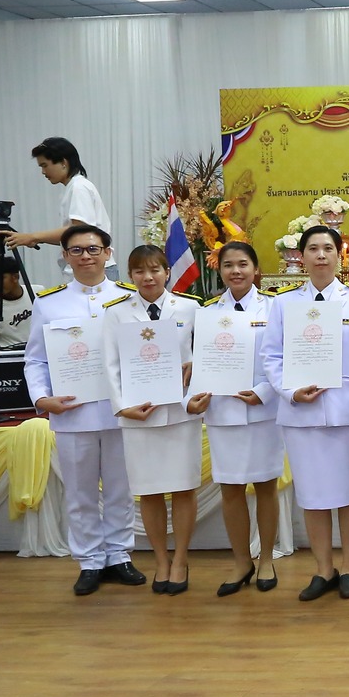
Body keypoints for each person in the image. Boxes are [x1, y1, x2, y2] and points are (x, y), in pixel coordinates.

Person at [262, 225, 349, 602]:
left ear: (338, 255)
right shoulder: (283, 303)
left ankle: (348, 568)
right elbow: (272, 356)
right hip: (302, 414)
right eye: (312, 248)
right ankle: (323, 569)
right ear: (301, 256)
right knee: (313, 495)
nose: (320, 255)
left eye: (327, 248)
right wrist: (289, 391)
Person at [24, 223, 147, 597]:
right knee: (79, 493)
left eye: (93, 249)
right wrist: (40, 398)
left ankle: (120, 555)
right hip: (72, 412)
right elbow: (35, 360)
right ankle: (90, 560)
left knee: (121, 489)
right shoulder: (48, 303)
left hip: (121, 411)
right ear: (65, 256)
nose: (85, 256)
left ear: (108, 253)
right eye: (76, 250)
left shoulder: (130, 297)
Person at [187, 242, 285, 594]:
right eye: (228, 265)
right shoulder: (208, 313)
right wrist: (192, 399)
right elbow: (198, 363)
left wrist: (265, 391)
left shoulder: (275, 307)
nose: (236, 271)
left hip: (263, 411)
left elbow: (285, 357)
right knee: (230, 489)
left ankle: (266, 559)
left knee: (266, 487)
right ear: (220, 270)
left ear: (256, 269)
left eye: (243, 264)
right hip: (223, 411)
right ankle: (242, 561)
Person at [103, 245, 201, 594]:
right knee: (150, 491)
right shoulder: (116, 313)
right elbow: (110, 365)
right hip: (138, 414)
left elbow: (205, 354)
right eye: (140, 271)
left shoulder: (190, 308)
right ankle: (161, 560)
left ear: (167, 272)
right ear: (130, 275)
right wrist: (121, 407)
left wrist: (197, 370)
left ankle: (181, 560)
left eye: (155, 270)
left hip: (180, 411)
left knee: (183, 487)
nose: (148, 277)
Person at [5, 136, 111, 253]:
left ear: (63, 162)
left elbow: (79, 232)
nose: (43, 172)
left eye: (45, 165)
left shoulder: (79, 187)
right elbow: (70, 237)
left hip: (92, 262)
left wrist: (33, 237)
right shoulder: (73, 187)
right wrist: (36, 239)